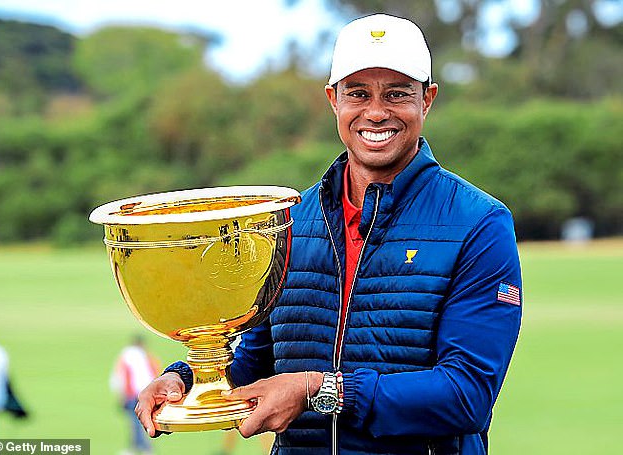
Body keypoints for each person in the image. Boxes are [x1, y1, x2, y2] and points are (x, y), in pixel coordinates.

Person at [135, 13, 522, 455]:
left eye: (397, 93)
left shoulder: (479, 223)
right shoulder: (288, 223)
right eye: (358, 93)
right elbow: (258, 359)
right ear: (332, 99)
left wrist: (319, 389)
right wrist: (185, 378)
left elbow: (467, 395)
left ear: (427, 100)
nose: (376, 112)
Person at [111, 336, 160, 455]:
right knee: (137, 422)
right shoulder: (147, 356)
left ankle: (142, 448)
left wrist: (121, 395)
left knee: (135, 423)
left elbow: (120, 377)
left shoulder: (126, 356)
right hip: (145, 393)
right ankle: (138, 447)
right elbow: (156, 372)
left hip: (132, 394)